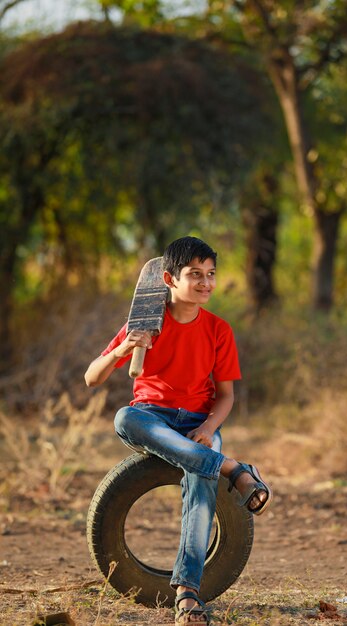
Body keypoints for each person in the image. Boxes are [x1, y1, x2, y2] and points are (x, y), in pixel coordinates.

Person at [84, 236, 272, 626]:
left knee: (200, 477)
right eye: (195, 275)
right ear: (169, 279)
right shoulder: (146, 319)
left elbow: (225, 397)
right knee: (123, 418)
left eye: (211, 274)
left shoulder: (219, 330)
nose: (205, 283)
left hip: (197, 423)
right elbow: (91, 378)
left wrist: (207, 428)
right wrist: (122, 349)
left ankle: (187, 593)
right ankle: (233, 468)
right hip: (150, 418)